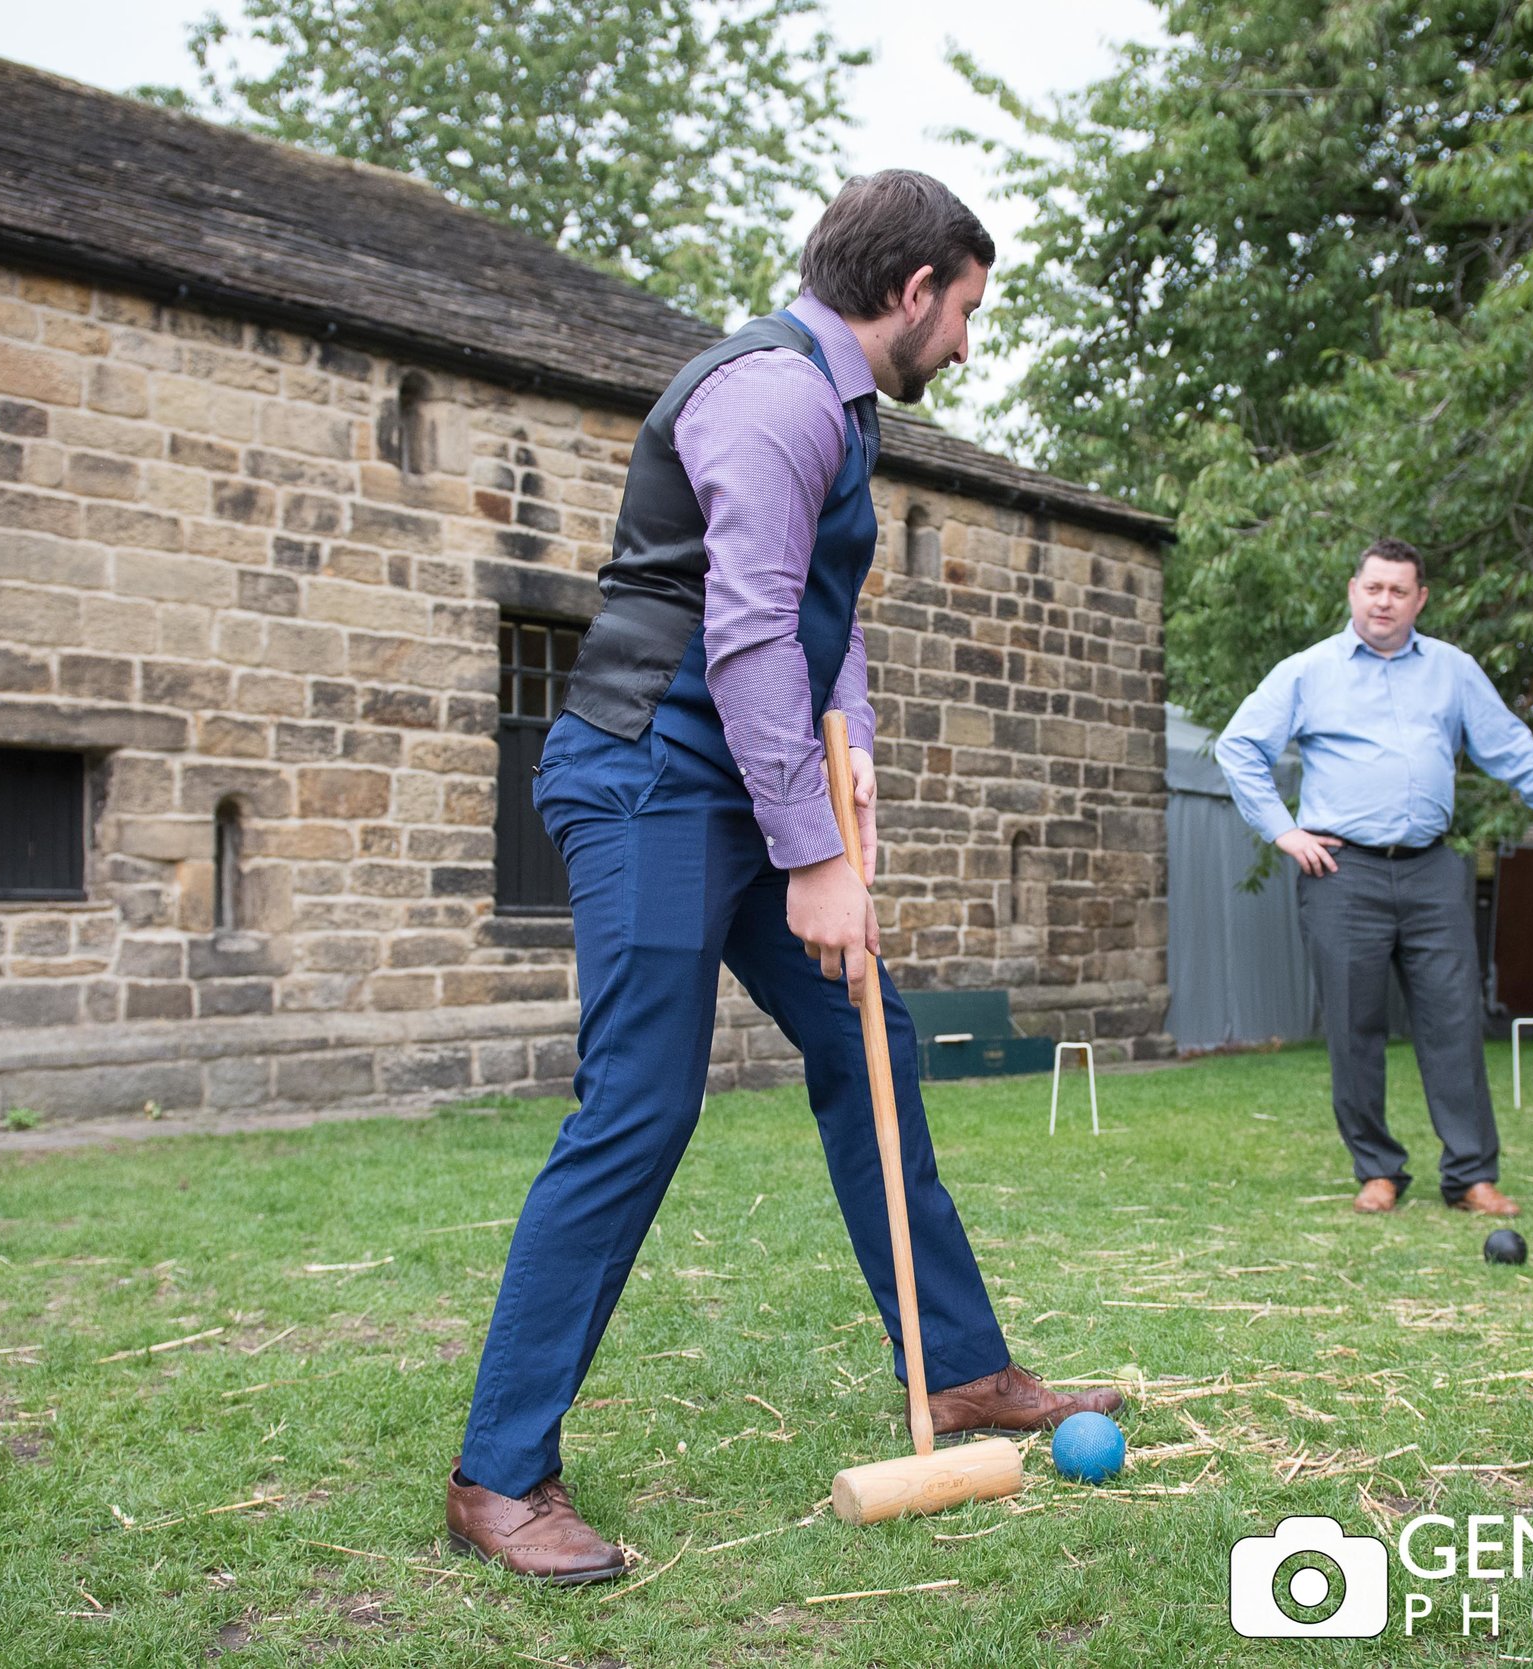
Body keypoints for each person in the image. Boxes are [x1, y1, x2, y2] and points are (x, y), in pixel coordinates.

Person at [445, 171, 1121, 1583]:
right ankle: (499, 1473)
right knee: (640, 1100)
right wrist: (813, 854)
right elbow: (750, 633)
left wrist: (849, 757)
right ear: (912, 287)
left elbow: (824, 623)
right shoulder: (770, 397)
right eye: (969, 312)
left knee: (866, 1035)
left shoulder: (841, 412)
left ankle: (958, 1370)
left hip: (740, 781)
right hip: (647, 779)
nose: (970, 343)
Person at [1214, 538, 1533, 1218]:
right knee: (1353, 1025)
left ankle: (1471, 1175)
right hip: (1342, 873)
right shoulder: (1308, 671)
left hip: (1430, 871)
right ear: (1352, 590)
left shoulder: (1452, 671)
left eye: (1399, 590)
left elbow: (1512, 747)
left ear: (1420, 598)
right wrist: (1284, 830)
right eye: (1374, 588)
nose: (1384, 601)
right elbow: (1238, 746)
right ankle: (1377, 1169)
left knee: (1455, 1020)